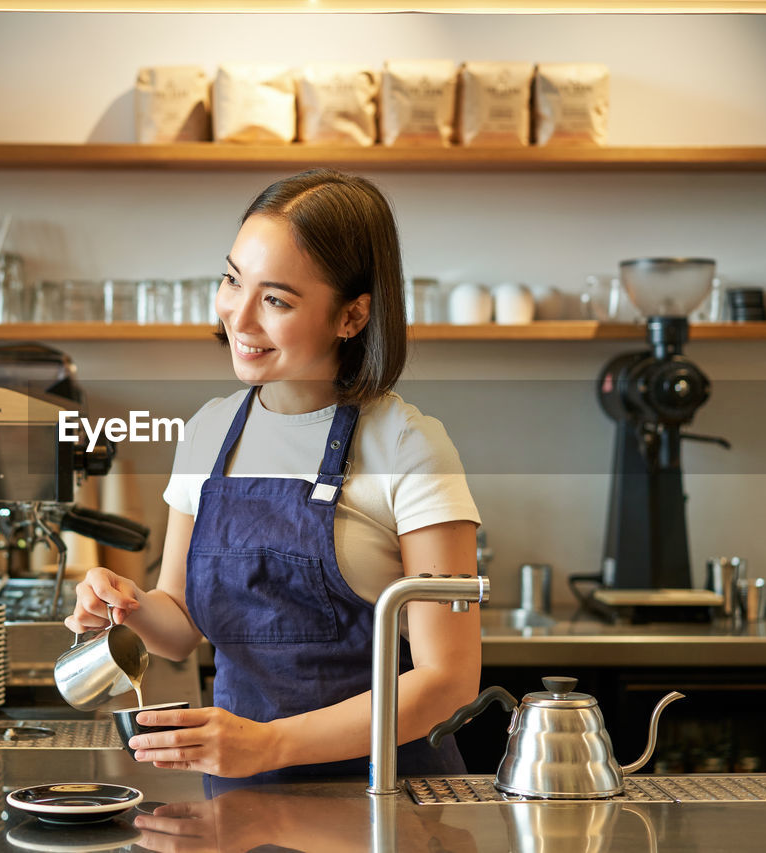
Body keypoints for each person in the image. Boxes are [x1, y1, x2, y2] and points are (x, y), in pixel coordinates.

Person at [65, 169, 482, 781]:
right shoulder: (209, 431)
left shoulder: (408, 445)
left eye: (276, 300)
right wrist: (125, 605)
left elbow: (447, 681)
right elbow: (179, 625)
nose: (240, 316)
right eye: (233, 280)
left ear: (352, 316)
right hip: (242, 799)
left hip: (387, 802)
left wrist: (269, 744)